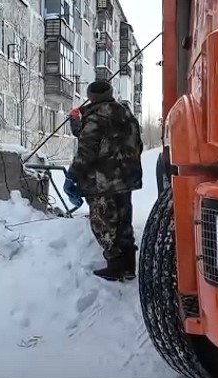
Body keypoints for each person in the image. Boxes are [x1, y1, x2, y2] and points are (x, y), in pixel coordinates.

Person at [67, 81, 144, 282]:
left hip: (103, 182)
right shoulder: (126, 113)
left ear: (91, 96)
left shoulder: (94, 117)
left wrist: (72, 176)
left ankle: (115, 266)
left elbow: (86, 151)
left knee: (105, 224)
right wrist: (78, 123)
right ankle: (128, 266)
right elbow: (136, 144)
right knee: (123, 222)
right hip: (125, 180)